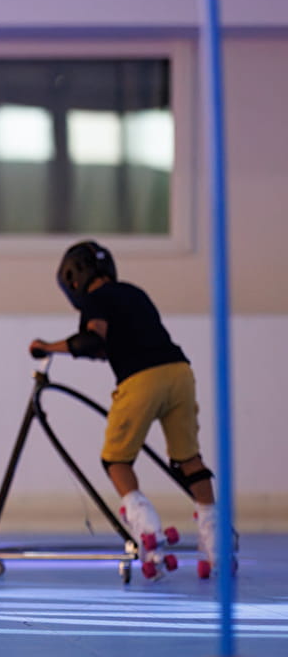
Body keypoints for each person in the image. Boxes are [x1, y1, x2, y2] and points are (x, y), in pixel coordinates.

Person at [29, 240, 226, 580]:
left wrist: (47, 347)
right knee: (188, 459)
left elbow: (93, 342)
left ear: (74, 281)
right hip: (179, 372)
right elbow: (117, 342)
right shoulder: (135, 292)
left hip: (140, 380)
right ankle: (215, 540)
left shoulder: (94, 300)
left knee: (116, 460)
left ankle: (146, 527)